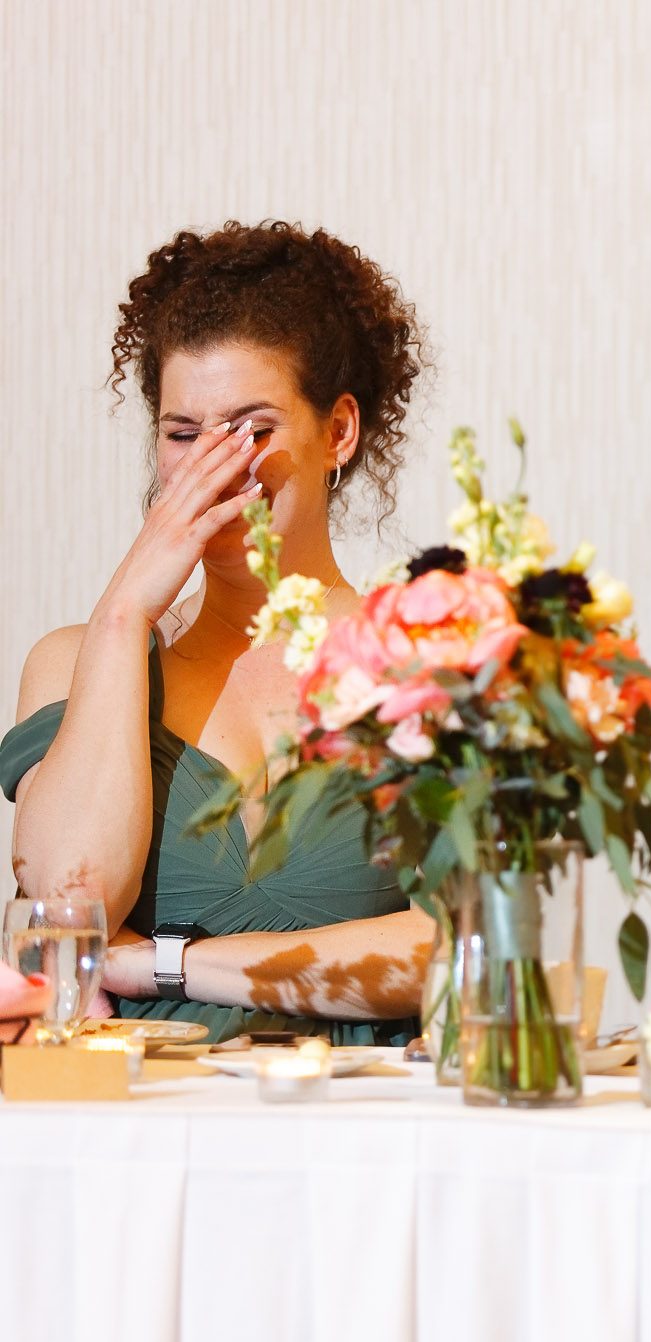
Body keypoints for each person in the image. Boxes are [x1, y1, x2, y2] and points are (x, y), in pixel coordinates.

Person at [2, 221, 434, 1043]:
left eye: (251, 429)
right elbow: (66, 909)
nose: (217, 468)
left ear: (337, 432)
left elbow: (456, 948)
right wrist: (126, 608)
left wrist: (161, 963)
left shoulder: (425, 657)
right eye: (182, 435)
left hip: (359, 1124)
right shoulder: (74, 661)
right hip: (139, 1123)